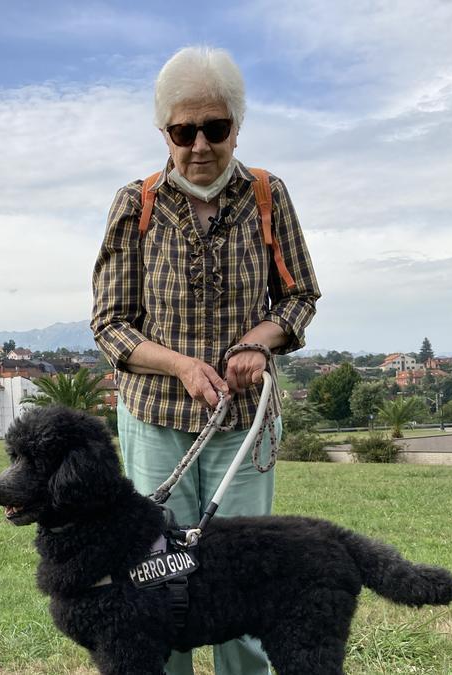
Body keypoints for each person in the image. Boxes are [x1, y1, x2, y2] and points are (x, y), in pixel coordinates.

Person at [90, 46, 321, 674]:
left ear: (236, 128)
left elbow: (299, 297)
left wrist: (258, 341)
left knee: (243, 583)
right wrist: (182, 367)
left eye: (214, 129)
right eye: (182, 130)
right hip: (155, 422)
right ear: (163, 132)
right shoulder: (134, 205)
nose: (198, 145)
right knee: (157, 583)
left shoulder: (268, 196)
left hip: (242, 428)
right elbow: (110, 325)